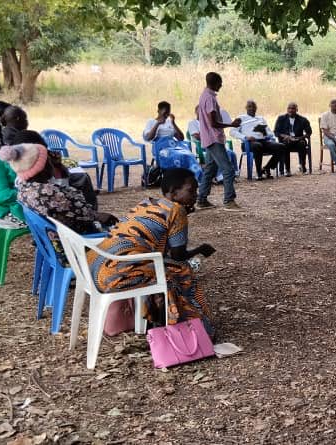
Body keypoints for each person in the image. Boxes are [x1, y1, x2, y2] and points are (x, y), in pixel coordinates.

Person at [88, 169, 218, 336]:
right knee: (181, 271)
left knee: (166, 267)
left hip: (95, 266)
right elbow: (177, 255)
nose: (195, 195)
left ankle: (153, 320)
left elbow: (160, 247)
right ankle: (191, 329)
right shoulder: (177, 211)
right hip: (116, 275)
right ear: (173, 192)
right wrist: (200, 250)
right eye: (191, 190)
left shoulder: (147, 203)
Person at [0, 143, 116, 234]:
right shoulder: (48, 193)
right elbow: (85, 213)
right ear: (43, 168)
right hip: (75, 242)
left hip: (53, 238)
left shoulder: (25, 188)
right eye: (49, 161)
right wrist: (102, 216)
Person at [10, 129, 99, 210]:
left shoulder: (21, 172)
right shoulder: (47, 167)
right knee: (82, 178)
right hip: (59, 199)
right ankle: (92, 209)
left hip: (51, 194)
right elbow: (62, 187)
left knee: (81, 177)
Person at [195, 72, 242, 211]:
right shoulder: (209, 98)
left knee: (210, 169)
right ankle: (229, 200)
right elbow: (213, 123)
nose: (221, 85)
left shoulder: (205, 96)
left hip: (209, 138)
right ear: (215, 82)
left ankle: (201, 200)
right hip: (214, 138)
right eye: (220, 82)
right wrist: (231, 125)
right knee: (228, 169)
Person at [229, 100, 286, 180]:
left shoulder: (260, 118)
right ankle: (259, 173)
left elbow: (270, 132)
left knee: (282, 146)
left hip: (263, 141)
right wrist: (245, 137)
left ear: (256, 108)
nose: (252, 108)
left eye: (253, 107)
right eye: (249, 106)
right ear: (246, 108)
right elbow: (232, 132)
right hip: (249, 143)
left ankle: (267, 168)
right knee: (257, 146)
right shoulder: (241, 118)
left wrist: (265, 133)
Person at [273, 102, 314, 175]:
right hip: (286, 140)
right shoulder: (281, 118)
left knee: (302, 144)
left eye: (293, 108)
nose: (291, 110)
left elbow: (309, 132)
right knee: (284, 145)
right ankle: (287, 169)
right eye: (289, 108)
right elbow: (276, 132)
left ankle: (302, 166)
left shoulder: (302, 119)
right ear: (287, 109)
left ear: (297, 110)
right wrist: (285, 136)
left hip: (298, 140)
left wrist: (299, 138)